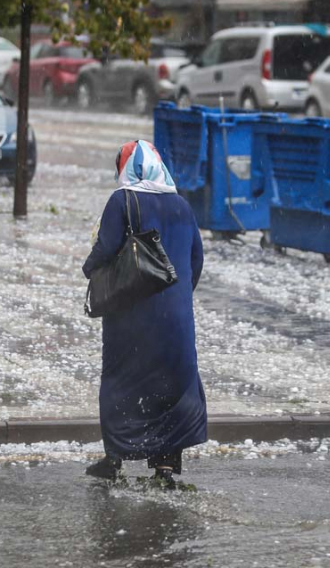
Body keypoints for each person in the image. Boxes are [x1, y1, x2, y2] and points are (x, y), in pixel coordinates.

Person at [82, 140, 207, 489]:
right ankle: (165, 466)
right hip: (177, 319)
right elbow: (196, 259)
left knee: (123, 382)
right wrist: (177, 297)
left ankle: (116, 458)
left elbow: (106, 248)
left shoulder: (122, 200)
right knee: (171, 387)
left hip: (133, 314)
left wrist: (87, 268)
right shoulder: (182, 205)